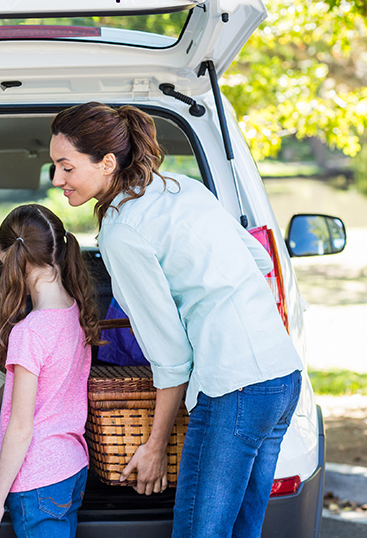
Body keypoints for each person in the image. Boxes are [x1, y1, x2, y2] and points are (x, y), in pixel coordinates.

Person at [49, 102, 303, 537]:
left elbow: (169, 355)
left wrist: (153, 445)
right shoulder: (181, 188)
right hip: (282, 375)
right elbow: (258, 257)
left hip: (234, 387)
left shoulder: (122, 230)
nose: (57, 180)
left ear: (107, 163)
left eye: (66, 167)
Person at [0, 204, 102, 538]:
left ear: (12, 258)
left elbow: (21, 427)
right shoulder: (74, 311)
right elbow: (27, 390)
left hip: (36, 480)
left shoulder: (30, 331)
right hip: (71, 466)